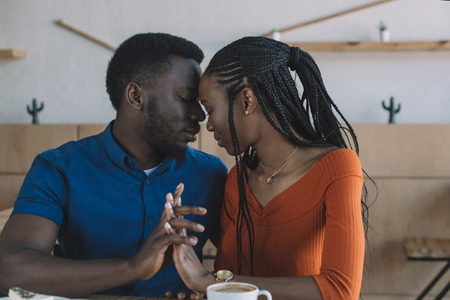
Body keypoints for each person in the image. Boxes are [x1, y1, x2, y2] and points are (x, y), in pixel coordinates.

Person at [0, 33, 228, 298]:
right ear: (135, 96)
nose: (199, 116)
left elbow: (245, 266)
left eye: (200, 104)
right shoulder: (59, 168)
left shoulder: (211, 173)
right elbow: (10, 271)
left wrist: (209, 289)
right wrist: (133, 267)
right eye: (186, 98)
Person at [164, 36, 372, 300]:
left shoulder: (337, 167)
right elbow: (229, 280)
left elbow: (341, 290)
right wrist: (208, 293)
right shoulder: (237, 180)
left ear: (247, 100)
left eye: (210, 108)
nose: (209, 125)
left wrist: (207, 281)